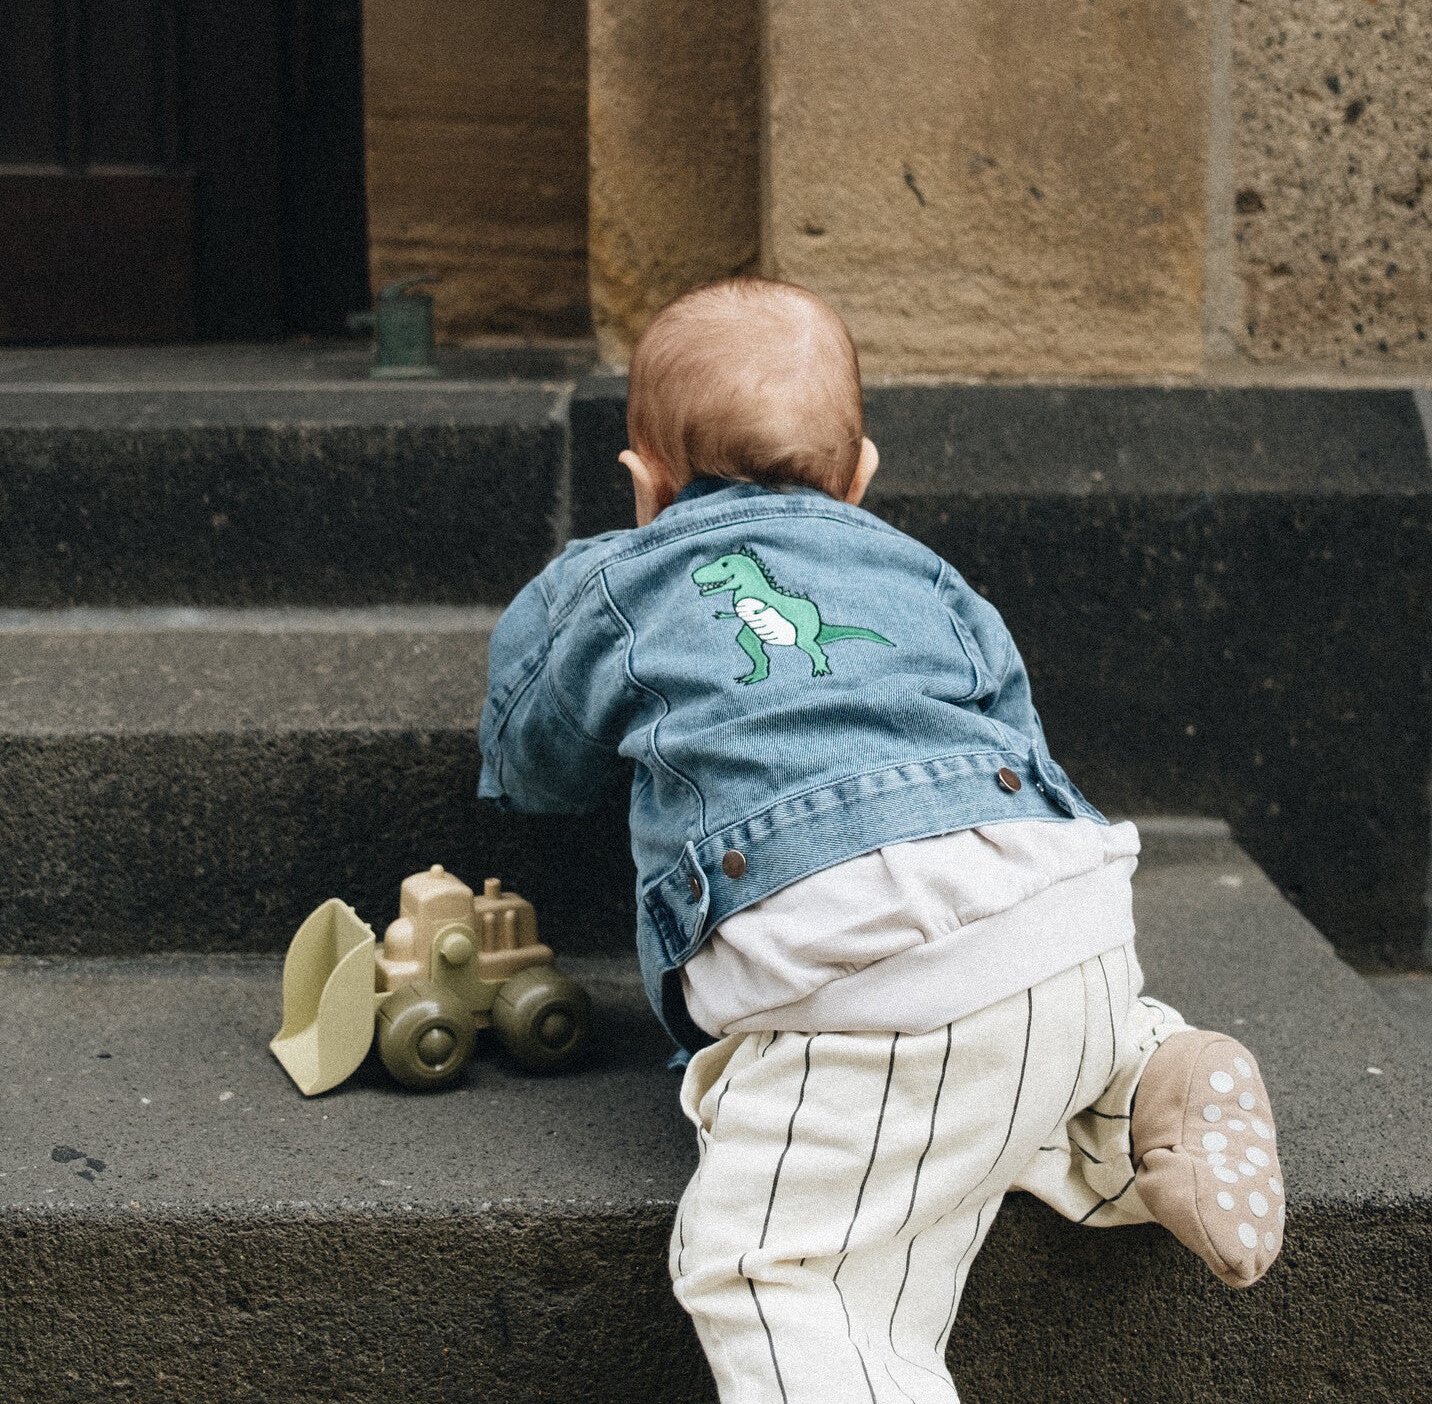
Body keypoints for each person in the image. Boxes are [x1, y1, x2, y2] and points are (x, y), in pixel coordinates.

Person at [479, 277, 1284, 1402]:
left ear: (643, 483)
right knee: (981, 1095)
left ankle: (1121, 1084)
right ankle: (1143, 1066)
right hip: (1067, 916)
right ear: (861, 480)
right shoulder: (930, 577)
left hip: (861, 979)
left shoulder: (617, 577)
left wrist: (531, 775)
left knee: (776, 1268)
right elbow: (1016, 737)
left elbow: (529, 745)